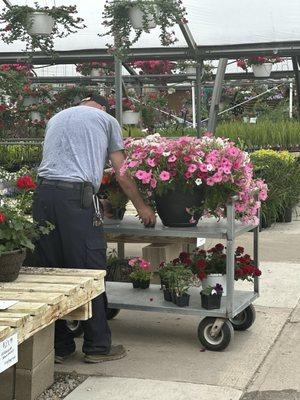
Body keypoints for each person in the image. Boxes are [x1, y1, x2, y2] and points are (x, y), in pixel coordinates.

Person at [33, 94, 156, 363]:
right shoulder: (106, 119)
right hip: (75, 200)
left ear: (81, 103)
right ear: (102, 107)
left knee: (51, 269)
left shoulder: (57, 118)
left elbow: (63, 162)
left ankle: (60, 347)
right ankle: (98, 346)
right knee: (89, 268)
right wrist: (142, 207)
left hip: (42, 196)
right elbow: (121, 171)